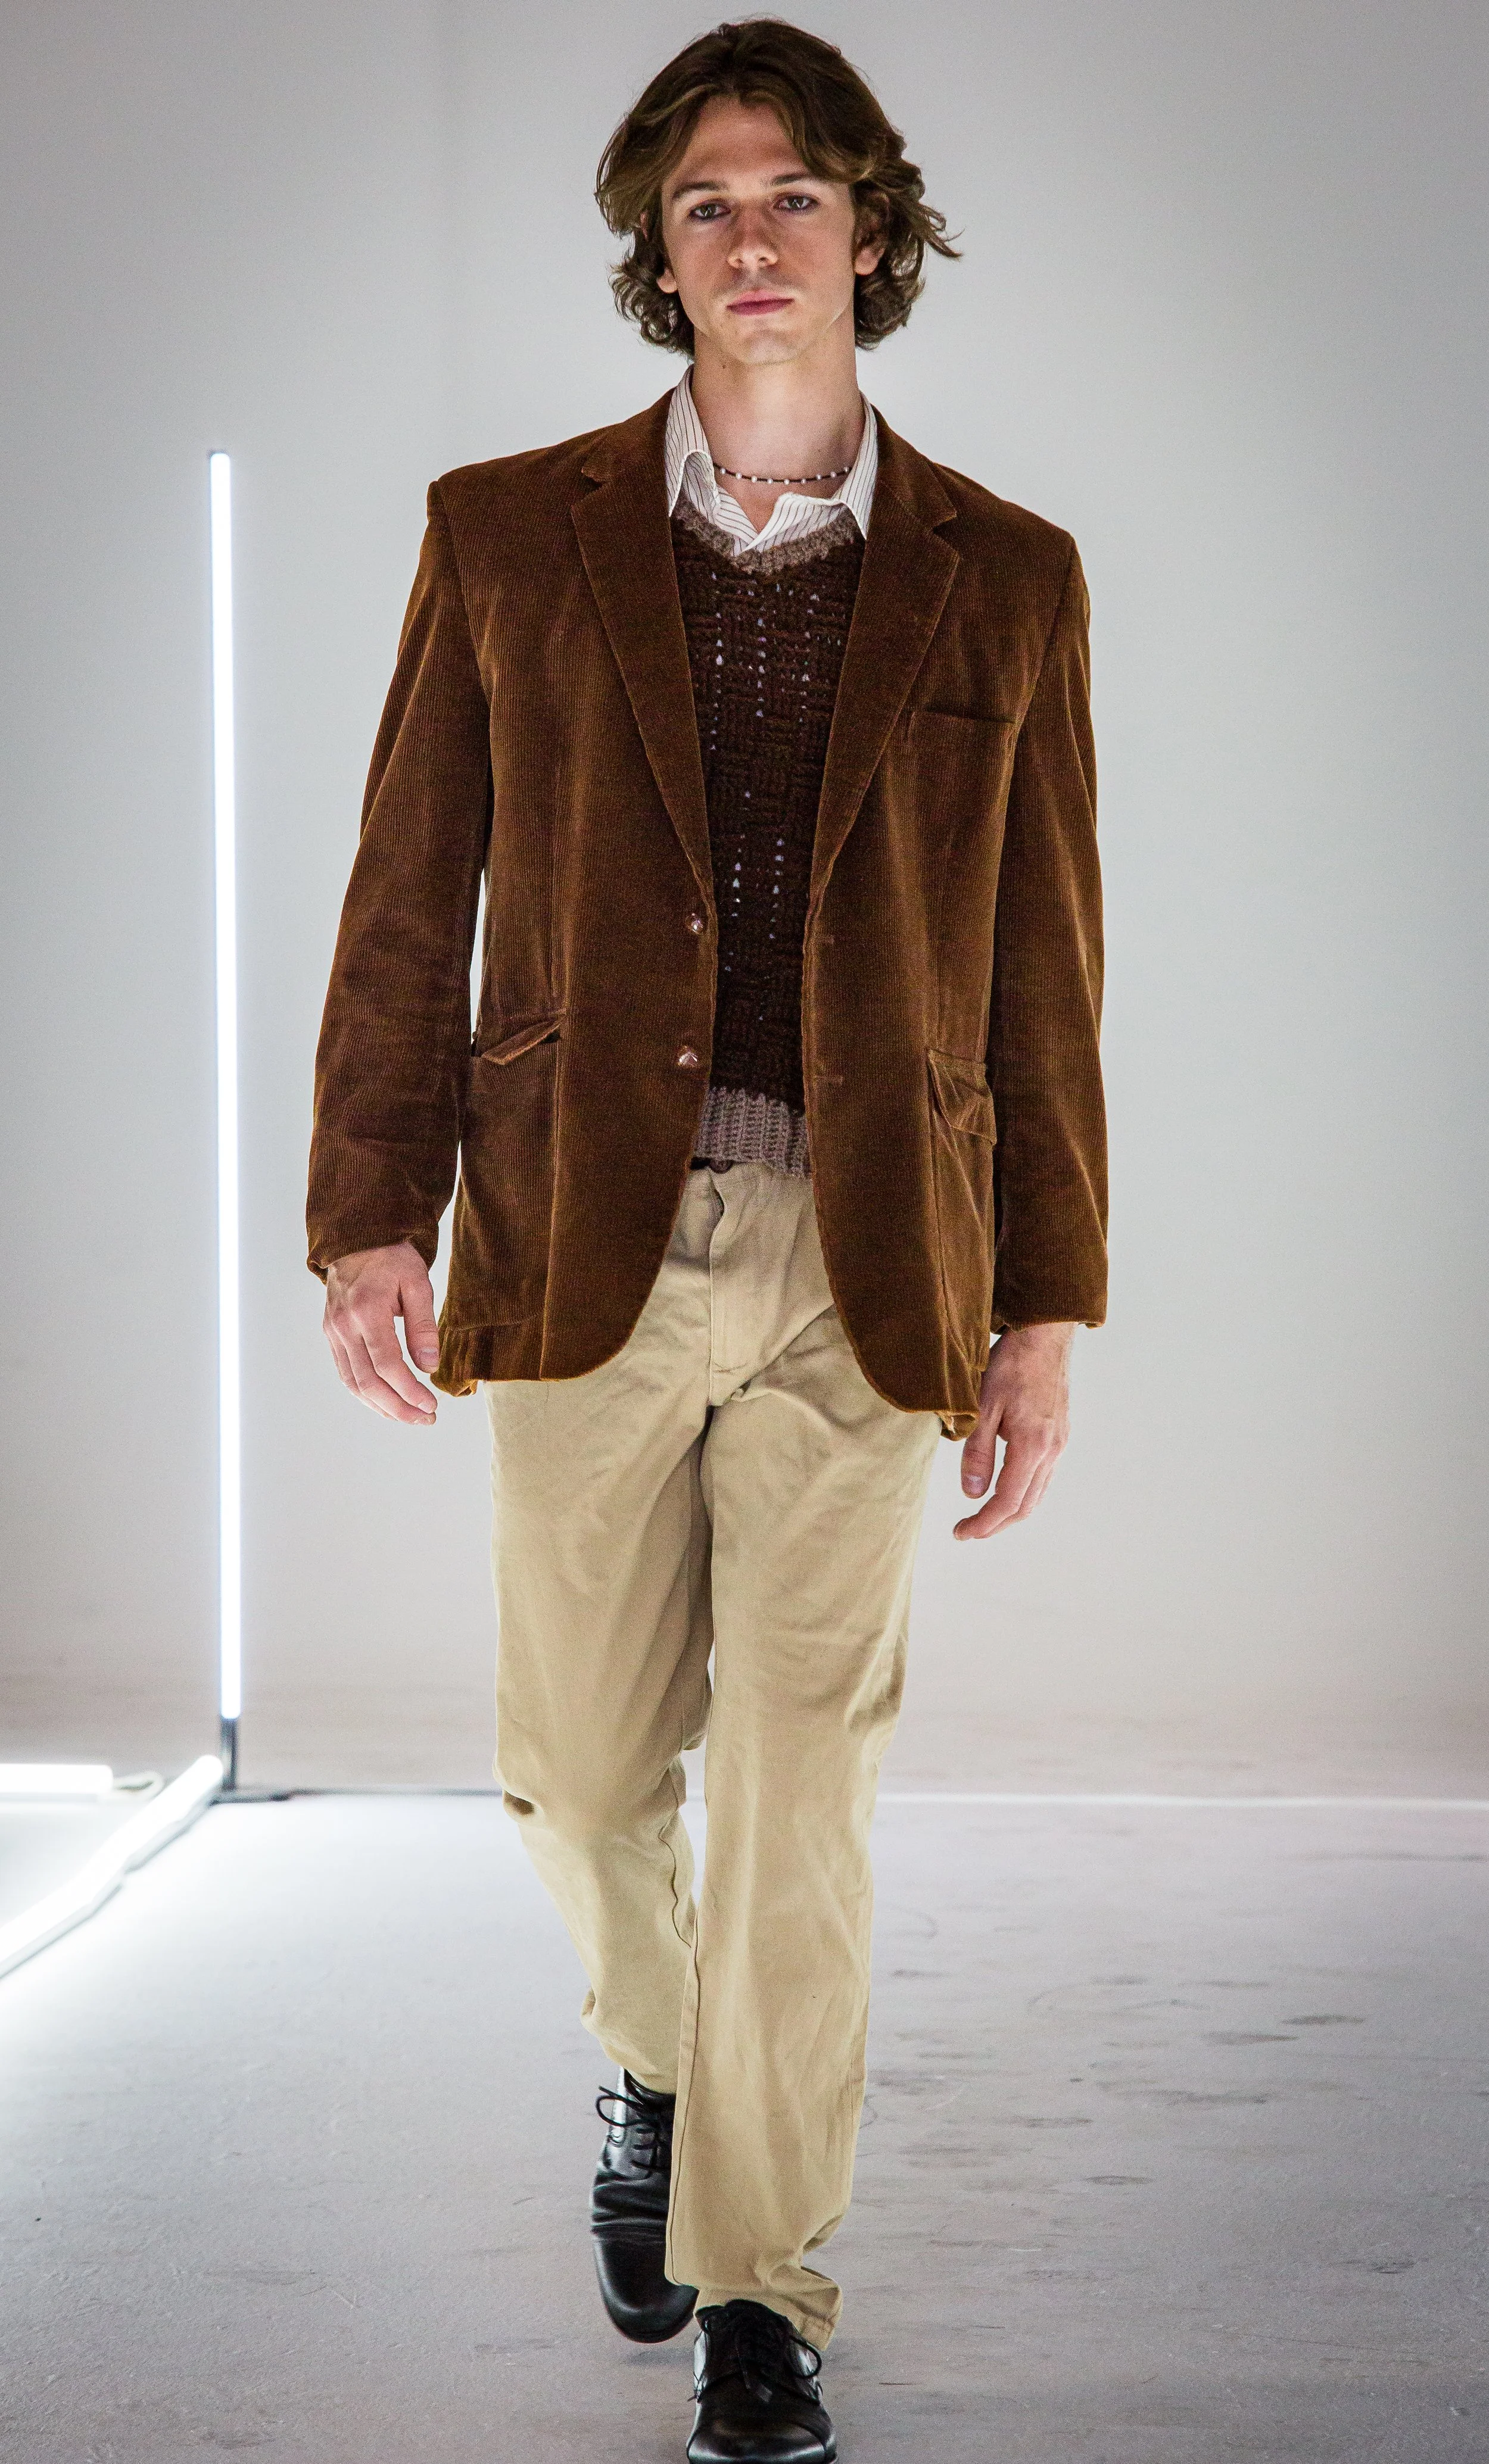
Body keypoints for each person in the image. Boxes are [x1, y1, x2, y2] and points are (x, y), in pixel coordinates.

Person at [307, 19, 1106, 2460]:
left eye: (792, 197)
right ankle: (656, 2067)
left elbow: (1043, 960)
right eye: (703, 205)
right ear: (660, 260)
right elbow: (405, 887)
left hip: (873, 1263)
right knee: (572, 1774)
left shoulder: (1004, 578)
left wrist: (1045, 1302)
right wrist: (367, 1210)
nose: (750, 239)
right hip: (578, 1236)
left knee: (798, 1788)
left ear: (870, 233)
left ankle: (764, 2289)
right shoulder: (506, 534)